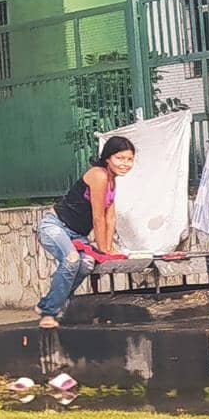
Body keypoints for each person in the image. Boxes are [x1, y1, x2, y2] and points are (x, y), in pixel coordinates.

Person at [34, 136, 136, 329]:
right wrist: (104, 249)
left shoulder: (112, 181)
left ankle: (47, 304)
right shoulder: (99, 175)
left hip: (77, 234)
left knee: (86, 264)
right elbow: (98, 216)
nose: (125, 163)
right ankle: (49, 312)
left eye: (129, 159)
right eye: (120, 158)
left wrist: (109, 247)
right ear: (107, 158)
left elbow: (110, 217)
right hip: (55, 226)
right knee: (72, 260)